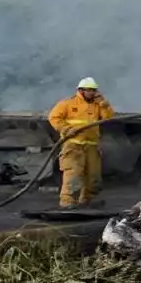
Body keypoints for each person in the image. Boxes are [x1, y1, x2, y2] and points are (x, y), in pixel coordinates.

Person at [47, 77, 115, 209]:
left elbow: (108, 119)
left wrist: (104, 104)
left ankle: (87, 200)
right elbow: (54, 117)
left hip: (91, 145)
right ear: (81, 90)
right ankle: (67, 202)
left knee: (92, 175)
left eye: (93, 90)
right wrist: (66, 129)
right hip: (74, 144)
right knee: (73, 174)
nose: (92, 93)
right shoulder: (68, 103)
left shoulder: (98, 105)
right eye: (89, 90)